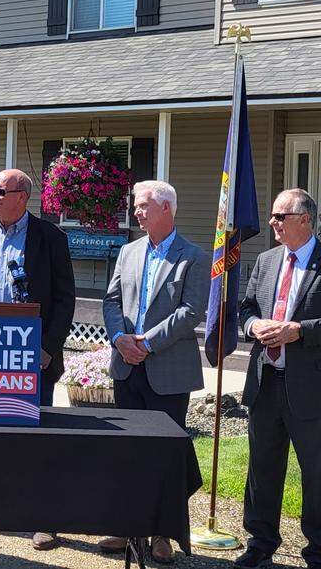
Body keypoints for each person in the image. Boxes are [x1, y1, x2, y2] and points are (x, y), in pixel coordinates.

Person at [232, 189, 321, 569]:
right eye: (273, 216)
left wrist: (300, 331)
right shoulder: (266, 261)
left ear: (304, 219)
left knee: (317, 473)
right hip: (266, 381)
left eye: (280, 216)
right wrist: (254, 325)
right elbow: (246, 308)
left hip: (311, 387)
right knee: (262, 468)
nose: (272, 223)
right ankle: (260, 542)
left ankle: (319, 551)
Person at [0, 168, 75, 551]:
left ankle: (43, 517)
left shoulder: (50, 237)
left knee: (37, 439)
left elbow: (65, 299)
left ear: (22, 197)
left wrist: (49, 347)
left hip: (33, 358)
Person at [98, 180, 208, 565]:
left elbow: (191, 312)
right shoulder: (128, 251)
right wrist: (119, 339)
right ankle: (128, 526)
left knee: (164, 454)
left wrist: (146, 343)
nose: (136, 212)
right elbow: (111, 301)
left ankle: (162, 533)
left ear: (166, 208)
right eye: (136, 206)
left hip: (168, 371)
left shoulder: (193, 257)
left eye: (143, 205)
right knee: (127, 451)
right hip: (126, 367)